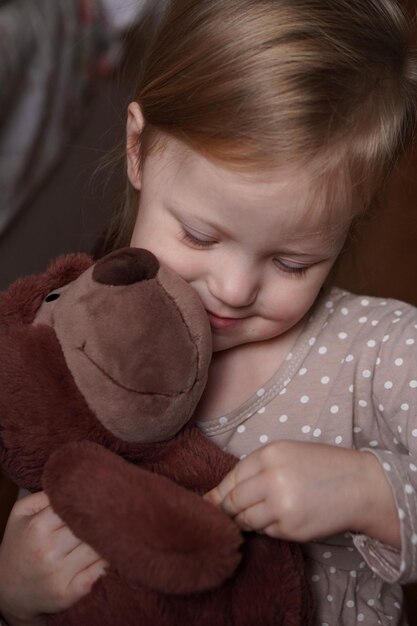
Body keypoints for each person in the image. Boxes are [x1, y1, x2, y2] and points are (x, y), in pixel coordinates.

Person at [1, 0, 417, 624]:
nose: (233, 288)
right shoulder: (78, 330)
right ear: (138, 148)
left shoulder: (377, 351)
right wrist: (13, 592)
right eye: (200, 236)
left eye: (292, 263)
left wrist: (373, 492)